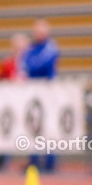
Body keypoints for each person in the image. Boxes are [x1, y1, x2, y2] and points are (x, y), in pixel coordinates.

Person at [0, 32, 29, 172]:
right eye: (17, 46)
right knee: (4, 131)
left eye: (22, 45)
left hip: (26, 106)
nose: (20, 48)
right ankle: (1, 162)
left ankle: (30, 162)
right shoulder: (7, 63)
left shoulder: (32, 62)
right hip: (9, 107)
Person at [24, 19, 59, 173]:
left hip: (48, 93)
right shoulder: (31, 48)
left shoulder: (50, 48)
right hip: (33, 93)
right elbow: (24, 63)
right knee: (33, 126)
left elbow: (37, 65)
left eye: (40, 31)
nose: (37, 34)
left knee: (49, 126)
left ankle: (50, 162)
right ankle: (34, 161)